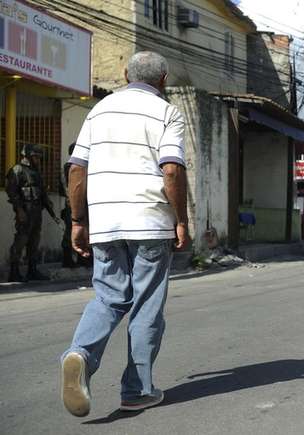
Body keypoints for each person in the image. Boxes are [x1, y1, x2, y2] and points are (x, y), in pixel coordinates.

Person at [60, 51, 189, 417]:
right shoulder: (167, 112)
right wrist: (180, 219)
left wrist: (78, 220)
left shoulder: (98, 111)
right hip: (149, 220)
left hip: (105, 221)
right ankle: (136, 390)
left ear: (123, 74)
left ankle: (81, 354)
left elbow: (76, 169)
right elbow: (171, 171)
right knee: (146, 303)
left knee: (108, 297)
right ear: (163, 79)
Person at [6, 143, 60, 282]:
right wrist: (19, 210)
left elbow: (42, 194)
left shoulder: (36, 173)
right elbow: (12, 192)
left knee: (34, 242)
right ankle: (14, 271)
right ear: (28, 156)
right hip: (25, 211)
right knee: (21, 240)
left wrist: (51, 210)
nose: (38, 160)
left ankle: (32, 270)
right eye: (36, 157)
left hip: (36, 212)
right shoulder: (17, 170)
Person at [60, 143, 91, 268]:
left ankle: (82, 257)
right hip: (73, 205)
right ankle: (67, 259)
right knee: (70, 231)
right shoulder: (70, 167)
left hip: (82, 203)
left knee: (83, 230)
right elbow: (68, 187)